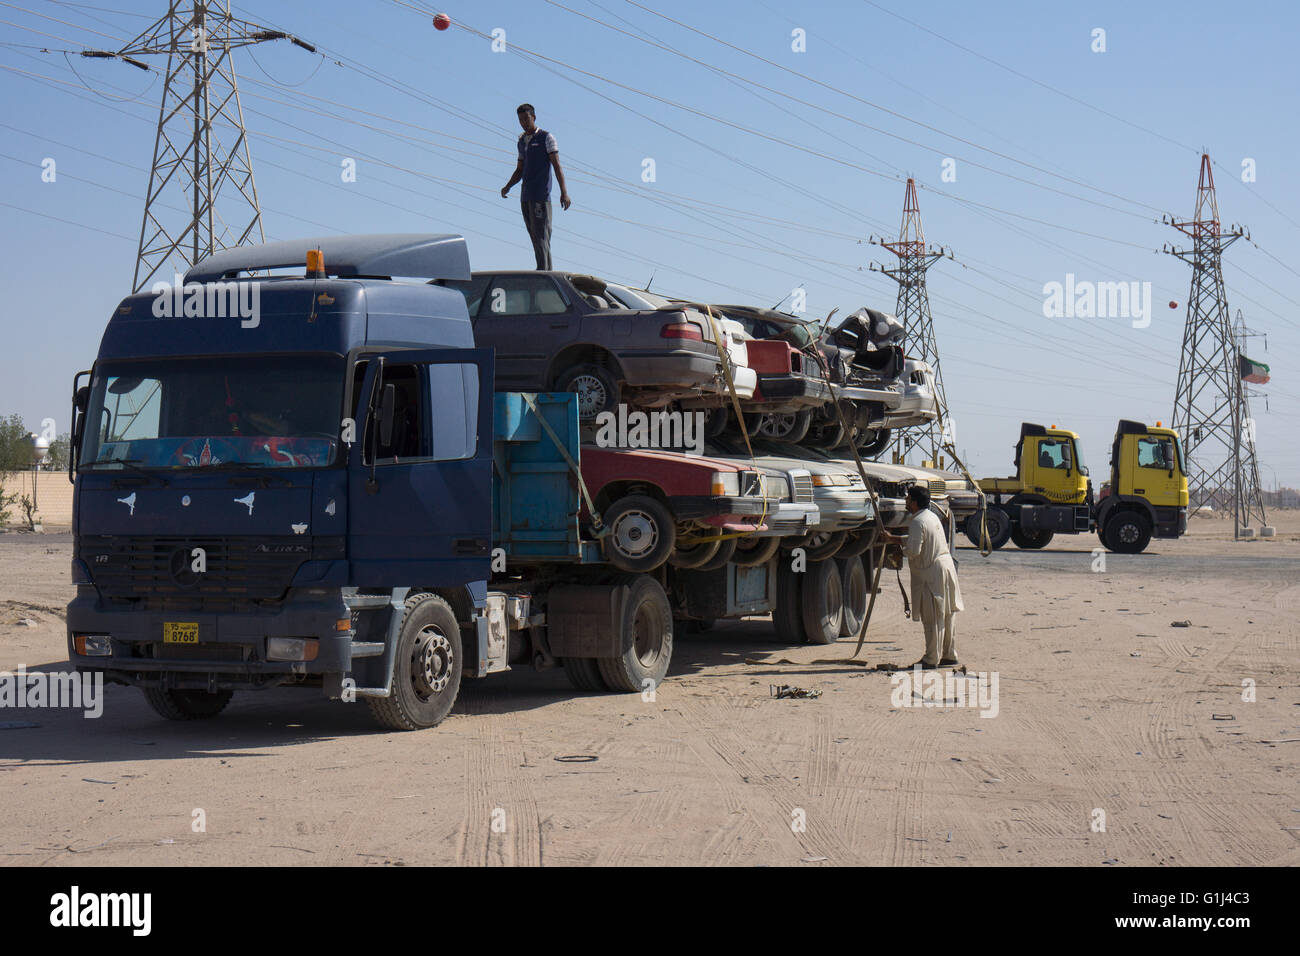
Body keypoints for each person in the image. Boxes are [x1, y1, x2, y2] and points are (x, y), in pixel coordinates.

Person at [882, 485, 964, 669]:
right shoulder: (931, 516)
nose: (906, 501)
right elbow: (917, 540)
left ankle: (930, 659)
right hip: (945, 568)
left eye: (908, 498)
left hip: (932, 573)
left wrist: (898, 552)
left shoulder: (917, 521)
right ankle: (949, 655)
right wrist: (893, 538)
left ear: (914, 502)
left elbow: (913, 550)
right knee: (947, 615)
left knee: (933, 617)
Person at [501, 103, 571, 270]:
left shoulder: (546, 138)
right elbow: (520, 169)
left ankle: (544, 271)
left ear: (534, 117)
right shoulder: (521, 141)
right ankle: (542, 269)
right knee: (533, 236)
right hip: (526, 197)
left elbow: (557, 166)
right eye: (520, 120)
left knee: (542, 237)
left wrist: (564, 192)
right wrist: (508, 186)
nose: (524, 122)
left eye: (526, 118)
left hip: (541, 196)